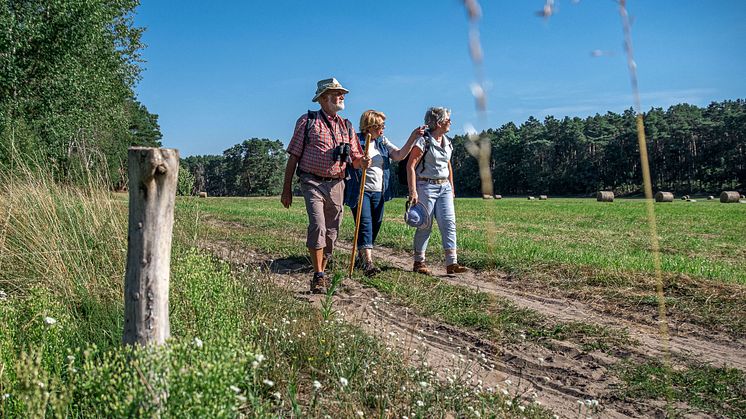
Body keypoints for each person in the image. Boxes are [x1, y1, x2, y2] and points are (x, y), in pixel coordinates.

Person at [281, 78, 370, 294]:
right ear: (323, 98)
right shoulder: (307, 121)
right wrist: (286, 189)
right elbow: (293, 156)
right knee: (318, 225)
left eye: (342, 93)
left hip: (338, 183)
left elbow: (355, 159)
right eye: (337, 93)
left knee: (332, 231)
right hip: (311, 181)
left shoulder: (346, 126)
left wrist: (362, 162)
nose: (342, 96)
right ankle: (318, 275)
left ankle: (323, 264)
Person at [344, 110, 425, 276]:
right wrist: (362, 161)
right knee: (365, 224)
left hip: (379, 191)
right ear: (370, 126)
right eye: (380, 126)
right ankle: (368, 263)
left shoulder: (382, 141)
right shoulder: (357, 140)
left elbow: (399, 155)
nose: (383, 129)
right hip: (361, 190)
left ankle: (362, 255)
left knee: (376, 224)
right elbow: (353, 162)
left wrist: (413, 137)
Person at [406, 107, 468, 275]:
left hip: (444, 188)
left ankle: (452, 263)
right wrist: (413, 191)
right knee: (425, 225)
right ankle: (419, 262)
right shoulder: (423, 141)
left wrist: (451, 187)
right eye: (448, 119)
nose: (450, 122)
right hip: (426, 186)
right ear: (439, 122)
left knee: (449, 223)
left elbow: (448, 165)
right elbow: (410, 166)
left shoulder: (447, 141)